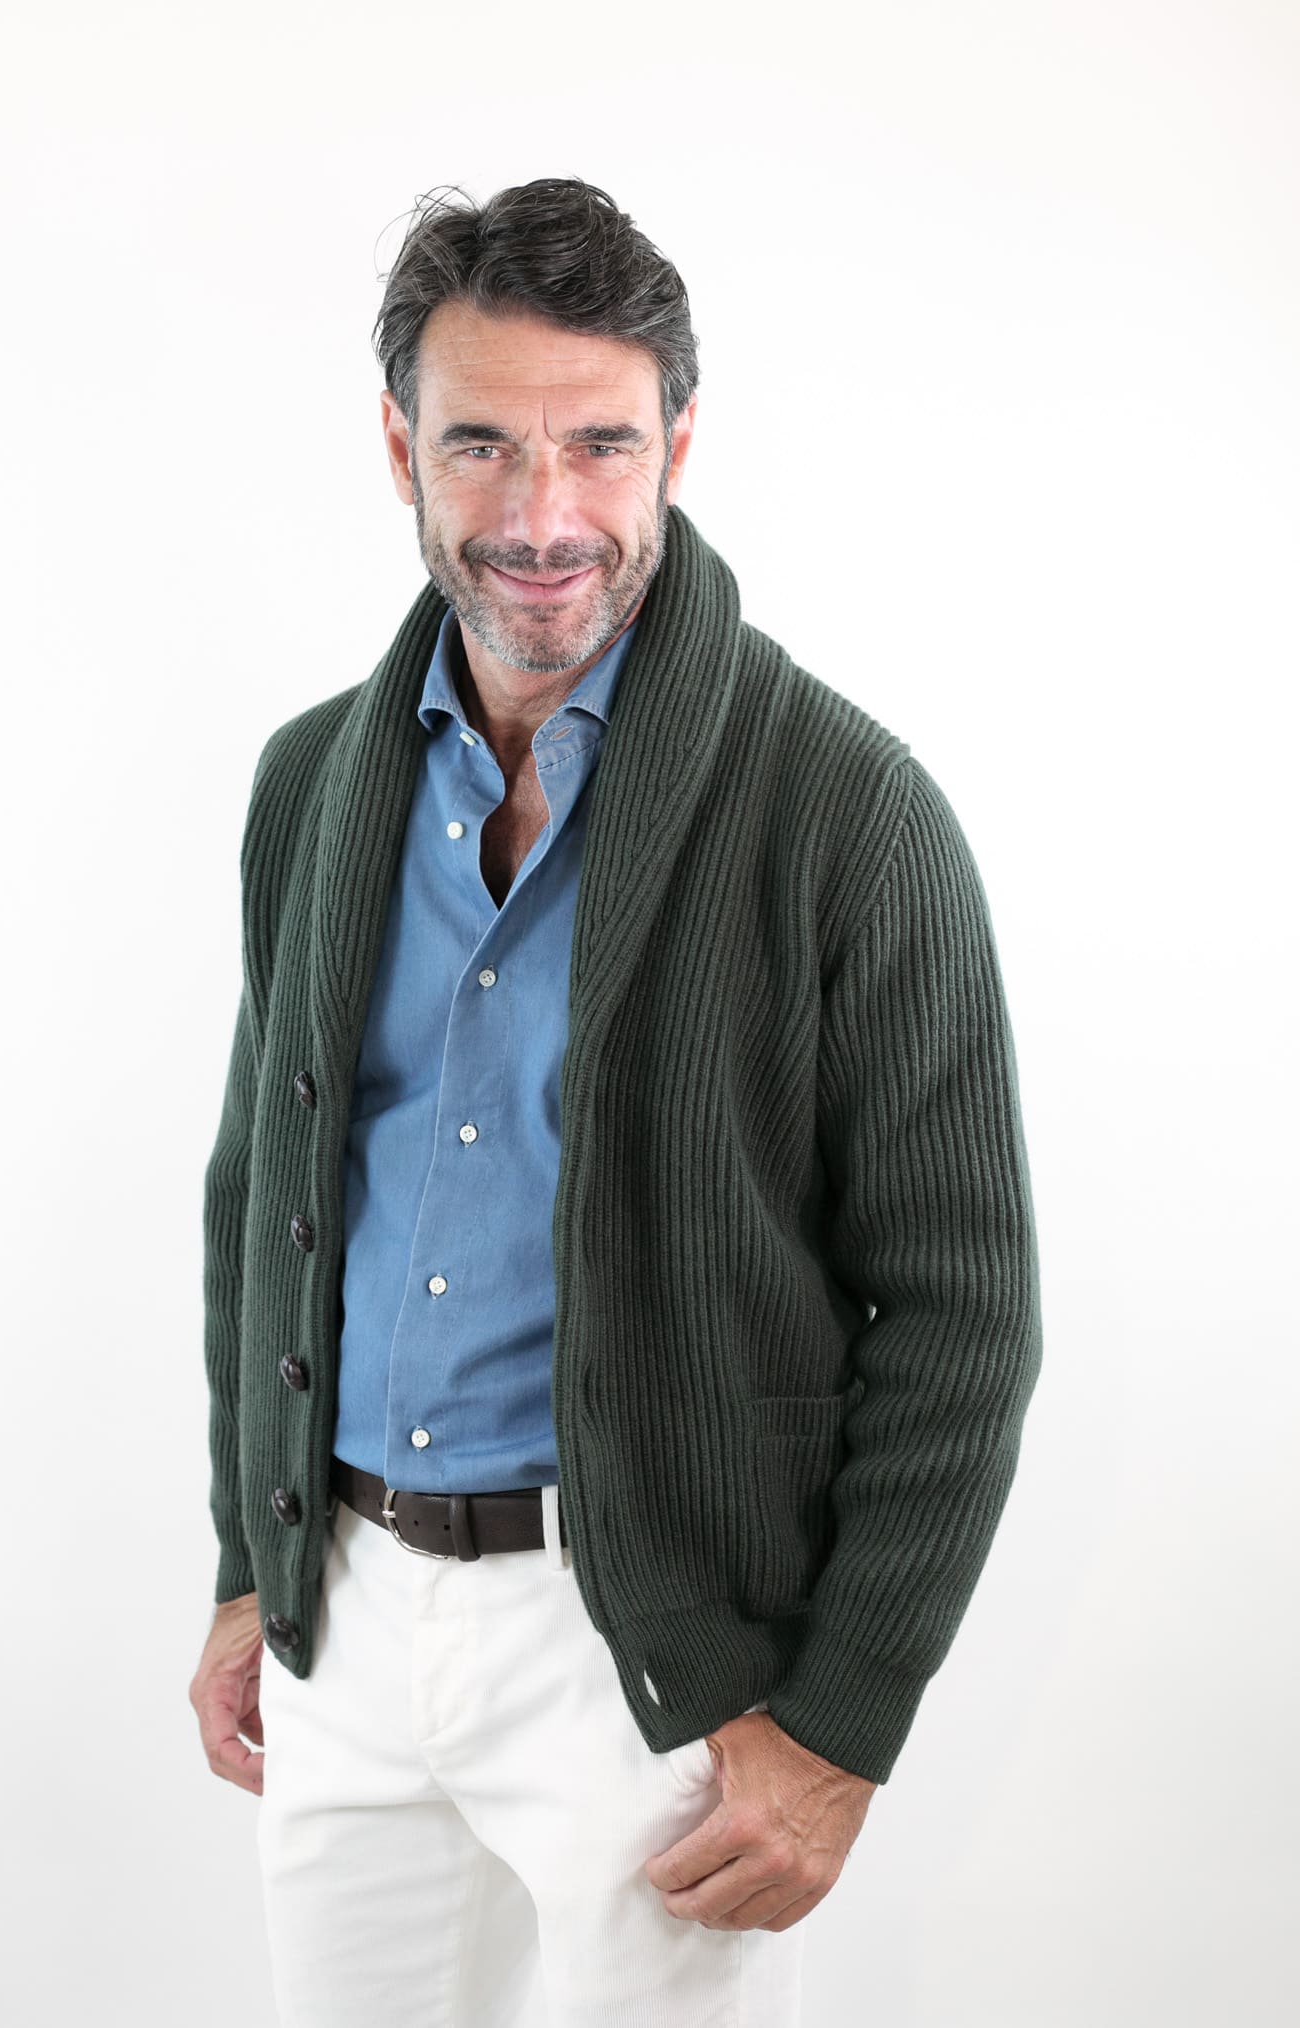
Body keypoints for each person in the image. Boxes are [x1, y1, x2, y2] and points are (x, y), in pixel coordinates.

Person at [188, 175, 1043, 2027]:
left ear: (680, 445)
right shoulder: (311, 784)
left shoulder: (847, 814)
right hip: (346, 1617)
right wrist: (254, 1557)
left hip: (650, 1652)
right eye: (481, 442)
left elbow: (964, 1318)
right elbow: (261, 1191)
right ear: (398, 447)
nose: (542, 515)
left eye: (599, 444)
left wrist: (842, 1726)